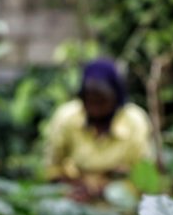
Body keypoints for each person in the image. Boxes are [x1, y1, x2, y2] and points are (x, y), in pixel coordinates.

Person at [41, 60, 155, 201]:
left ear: (116, 97)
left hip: (121, 201)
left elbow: (144, 177)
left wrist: (106, 190)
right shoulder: (67, 117)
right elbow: (51, 168)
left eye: (101, 100)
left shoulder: (135, 122)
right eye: (90, 99)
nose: (95, 106)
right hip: (76, 198)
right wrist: (73, 186)